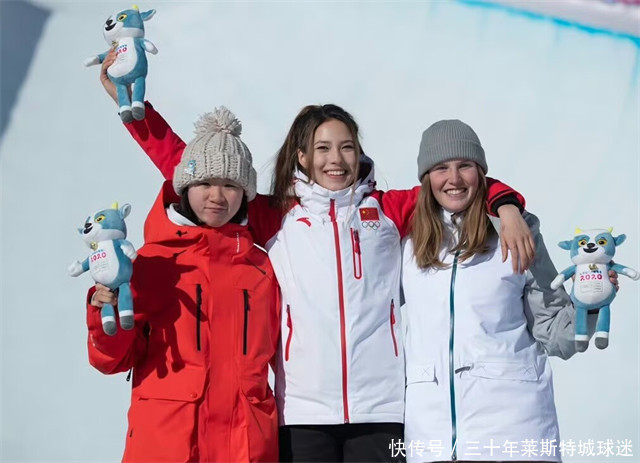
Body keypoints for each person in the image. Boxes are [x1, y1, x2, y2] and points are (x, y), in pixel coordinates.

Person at [95, 51, 534, 462]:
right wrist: (135, 111)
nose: (335, 159)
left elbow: (451, 185)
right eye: (322, 148)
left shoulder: (388, 210)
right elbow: (196, 169)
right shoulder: (278, 215)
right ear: (302, 156)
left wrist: (506, 205)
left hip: (382, 409)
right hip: (302, 414)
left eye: (346, 147)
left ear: (358, 152)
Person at [401, 120, 616, 463]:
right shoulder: (407, 242)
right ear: (426, 178)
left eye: (465, 165)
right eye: (441, 168)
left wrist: (587, 305)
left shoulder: (515, 233)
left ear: (481, 172)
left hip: (514, 431)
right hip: (431, 439)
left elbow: (553, 332)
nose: (454, 179)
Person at [86, 107, 280, 462]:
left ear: (246, 193)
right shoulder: (152, 262)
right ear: (185, 188)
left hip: (246, 447)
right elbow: (111, 360)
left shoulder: (263, 269)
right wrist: (104, 312)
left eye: (230, 185)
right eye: (205, 183)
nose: (217, 196)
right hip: (167, 444)